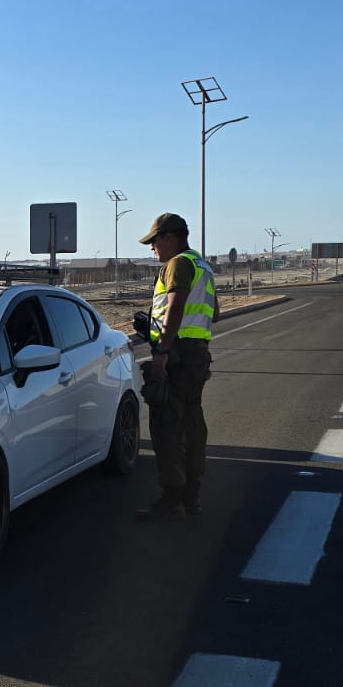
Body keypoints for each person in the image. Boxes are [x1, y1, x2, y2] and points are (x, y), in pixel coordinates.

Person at [136, 212, 218, 520]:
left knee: (166, 426)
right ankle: (191, 498)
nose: (152, 248)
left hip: (177, 356)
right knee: (192, 427)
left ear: (169, 237)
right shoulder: (202, 265)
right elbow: (214, 313)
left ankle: (171, 498)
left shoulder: (177, 264)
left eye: (154, 241)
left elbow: (176, 306)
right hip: (197, 356)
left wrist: (162, 351)